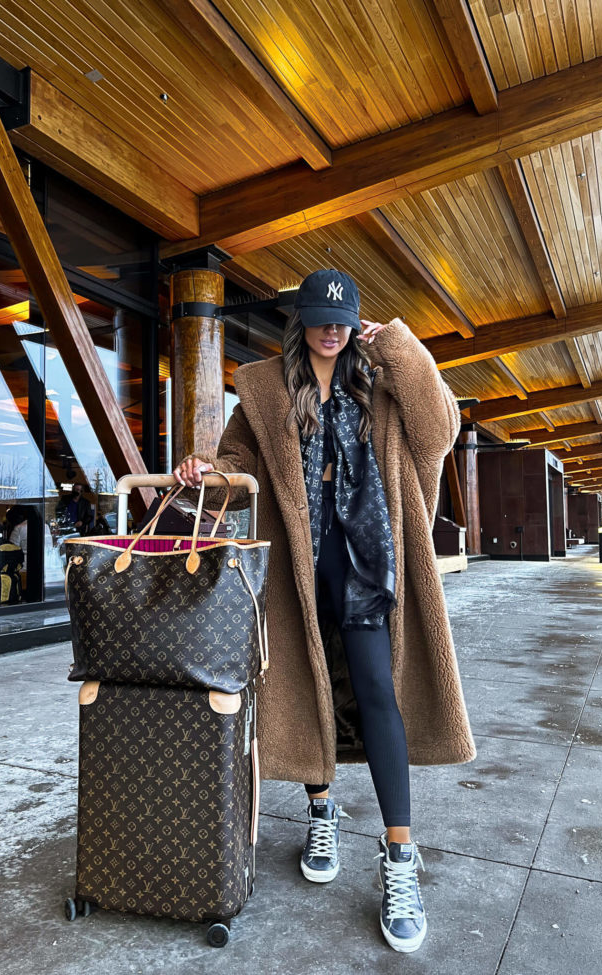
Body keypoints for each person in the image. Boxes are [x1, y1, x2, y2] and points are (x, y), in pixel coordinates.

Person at [173, 268, 476, 953]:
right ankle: (321, 808)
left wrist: (400, 346)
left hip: (369, 559)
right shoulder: (268, 387)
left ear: (356, 319)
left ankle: (400, 856)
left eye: (343, 317)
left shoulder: (384, 381)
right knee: (311, 676)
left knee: (375, 689)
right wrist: (205, 468)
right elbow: (237, 461)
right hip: (303, 566)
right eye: (319, 316)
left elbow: (440, 431)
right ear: (300, 319)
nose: (332, 327)